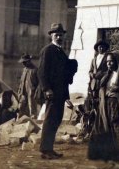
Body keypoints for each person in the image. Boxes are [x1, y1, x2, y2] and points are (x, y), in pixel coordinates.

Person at [89, 51, 119, 169]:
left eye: (111, 61)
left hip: (118, 108)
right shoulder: (108, 75)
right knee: (108, 133)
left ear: (117, 62)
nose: (109, 64)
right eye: (107, 62)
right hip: (106, 108)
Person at [37, 22, 76, 160]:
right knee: (50, 120)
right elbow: (41, 72)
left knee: (56, 120)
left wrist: (66, 96)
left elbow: (64, 76)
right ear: (51, 36)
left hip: (59, 93)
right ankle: (45, 150)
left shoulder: (60, 52)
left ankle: (49, 149)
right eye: (56, 35)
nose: (59, 37)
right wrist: (46, 89)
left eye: (61, 35)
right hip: (52, 93)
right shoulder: (48, 50)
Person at [16, 54, 39, 119]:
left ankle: (33, 121)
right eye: (23, 62)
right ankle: (18, 120)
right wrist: (19, 91)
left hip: (32, 92)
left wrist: (36, 92)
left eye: (25, 62)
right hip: (23, 93)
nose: (23, 64)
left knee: (32, 108)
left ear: (29, 61)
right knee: (20, 108)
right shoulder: (24, 70)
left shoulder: (35, 70)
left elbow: (39, 83)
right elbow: (21, 82)